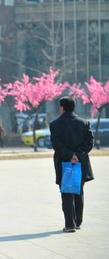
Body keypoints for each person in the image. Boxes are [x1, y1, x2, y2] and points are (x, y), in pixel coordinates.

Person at [49, 96, 94, 233]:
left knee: (66, 193)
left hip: (64, 162)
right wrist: (77, 155)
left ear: (62, 107)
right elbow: (89, 143)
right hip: (80, 163)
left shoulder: (55, 125)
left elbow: (57, 145)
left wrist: (70, 155)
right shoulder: (84, 123)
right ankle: (78, 221)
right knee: (78, 191)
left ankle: (70, 224)